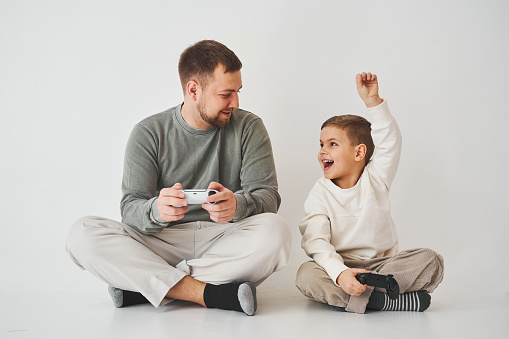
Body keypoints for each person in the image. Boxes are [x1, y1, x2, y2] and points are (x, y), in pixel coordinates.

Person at [66, 40, 291, 316]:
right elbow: (130, 211)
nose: (236, 102)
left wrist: (238, 206)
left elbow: (268, 197)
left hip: (222, 237)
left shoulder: (249, 127)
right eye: (226, 94)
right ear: (193, 89)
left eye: (238, 92)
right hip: (160, 240)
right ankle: (209, 293)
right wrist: (157, 210)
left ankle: (148, 286)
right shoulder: (148, 132)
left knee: (277, 232)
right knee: (82, 235)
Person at [295, 72, 444, 314]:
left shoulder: (376, 177)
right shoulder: (319, 193)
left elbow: (390, 142)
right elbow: (316, 241)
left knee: (431, 260)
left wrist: (373, 102)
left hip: (382, 266)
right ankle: (384, 301)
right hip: (341, 265)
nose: (323, 151)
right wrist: (340, 273)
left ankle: (365, 296)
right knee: (306, 275)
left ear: (359, 153)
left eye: (332, 144)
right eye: (321, 144)